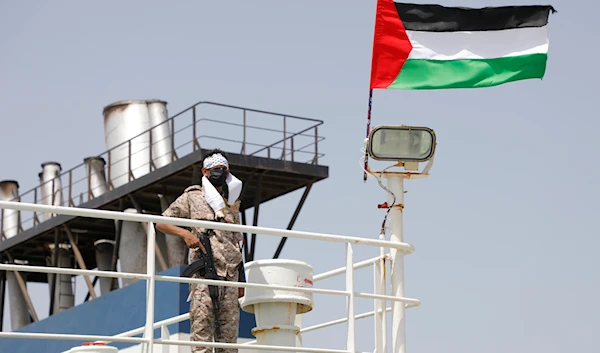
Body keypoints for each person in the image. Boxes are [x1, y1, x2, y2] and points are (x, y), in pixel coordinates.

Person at [156, 149, 245, 353]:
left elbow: (237, 243)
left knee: (229, 341)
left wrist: (242, 279)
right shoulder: (193, 196)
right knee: (202, 334)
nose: (220, 173)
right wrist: (186, 235)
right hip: (205, 274)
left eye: (223, 169)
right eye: (215, 169)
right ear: (205, 171)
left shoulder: (232, 203)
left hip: (230, 278)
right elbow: (161, 222)